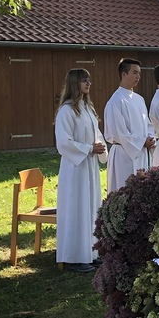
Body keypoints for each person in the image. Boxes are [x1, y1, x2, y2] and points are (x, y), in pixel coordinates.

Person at [54, 69, 108, 273]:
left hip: (89, 166)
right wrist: (88, 148)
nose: (88, 84)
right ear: (74, 83)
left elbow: (97, 134)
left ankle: (90, 253)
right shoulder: (67, 111)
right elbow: (63, 142)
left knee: (90, 207)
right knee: (77, 209)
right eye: (84, 81)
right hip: (75, 168)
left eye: (89, 80)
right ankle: (73, 257)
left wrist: (100, 147)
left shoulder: (87, 108)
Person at [104, 58, 155, 193]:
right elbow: (118, 132)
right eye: (134, 72)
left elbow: (147, 124)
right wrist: (142, 142)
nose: (138, 76)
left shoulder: (139, 99)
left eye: (139, 73)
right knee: (125, 190)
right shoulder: (116, 100)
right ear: (124, 74)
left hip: (142, 153)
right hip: (124, 155)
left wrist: (151, 138)